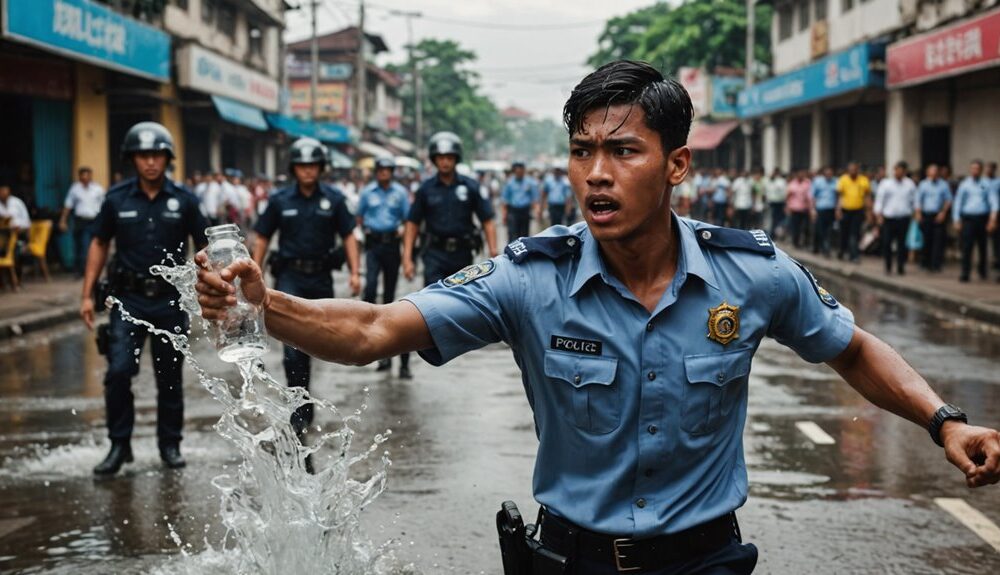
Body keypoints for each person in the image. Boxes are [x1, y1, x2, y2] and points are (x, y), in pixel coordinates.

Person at [195, 60, 1000, 575]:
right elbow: (374, 329)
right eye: (582, 151)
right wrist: (269, 304)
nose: (596, 174)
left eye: (623, 151)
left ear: (677, 163)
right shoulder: (528, 276)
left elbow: (850, 346)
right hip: (568, 561)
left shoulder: (750, 273)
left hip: (705, 561)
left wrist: (943, 421)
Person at [80, 121, 209, 475]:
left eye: (157, 155)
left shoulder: (185, 201)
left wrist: (215, 291)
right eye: (143, 156)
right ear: (132, 159)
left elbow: (206, 248)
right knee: (119, 372)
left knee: (169, 377)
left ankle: (170, 444)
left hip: (170, 303)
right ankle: (119, 445)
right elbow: (99, 243)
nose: (150, 162)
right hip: (127, 301)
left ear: (168, 159)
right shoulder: (116, 199)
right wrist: (87, 294)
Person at [252, 137, 361, 435]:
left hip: (321, 279)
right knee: (292, 351)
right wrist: (254, 274)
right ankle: (300, 413)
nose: (308, 171)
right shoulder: (279, 201)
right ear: (293, 168)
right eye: (302, 165)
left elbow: (350, 236)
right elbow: (262, 237)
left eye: (313, 165)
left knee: (316, 342)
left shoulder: (335, 200)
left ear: (321, 168)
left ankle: (303, 401)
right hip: (289, 279)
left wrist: (355, 272)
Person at [402, 131, 498, 288]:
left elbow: (487, 220)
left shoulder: (471, 187)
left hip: (463, 254)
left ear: (456, 158)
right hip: (434, 254)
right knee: (432, 300)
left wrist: (493, 252)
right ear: (434, 159)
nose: (445, 162)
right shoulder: (425, 189)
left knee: (461, 301)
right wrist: (407, 259)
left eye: (449, 157)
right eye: (441, 158)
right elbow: (412, 224)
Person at [357, 157, 412, 379]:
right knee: (370, 288)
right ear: (376, 172)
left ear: (392, 172)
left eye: (387, 170)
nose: (384, 174)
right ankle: (369, 325)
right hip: (373, 245)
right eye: (380, 170)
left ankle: (387, 349)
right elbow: (359, 216)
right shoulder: (367, 192)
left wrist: (405, 241)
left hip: (392, 244)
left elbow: (408, 220)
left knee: (390, 294)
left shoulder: (400, 193)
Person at [952, 160, 998, 282]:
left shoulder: (986, 184)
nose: (975, 171)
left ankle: (982, 271)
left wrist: (992, 219)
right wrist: (956, 219)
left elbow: (993, 202)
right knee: (967, 247)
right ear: (970, 169)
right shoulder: (965, 184)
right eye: (973, 168)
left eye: (977, 169)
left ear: (981, 170)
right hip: (968, 219)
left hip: (982, 218)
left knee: (982, 246)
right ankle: (965, 272)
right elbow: (958, 202)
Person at [59, 167, 106, 277]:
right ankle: (80, 270)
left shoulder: (98, 189)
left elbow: (105, 205)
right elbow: (68, 205)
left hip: (94, 220)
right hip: (79, 220)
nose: (85, 178)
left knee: (88, 245)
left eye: (87, 175)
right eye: (82, 176)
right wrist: (63, 220)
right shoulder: (75, 189)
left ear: (90, 176)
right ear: (79, 176)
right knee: (78, 245)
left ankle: (88, 271)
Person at [874, 161, 917, 275]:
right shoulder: (886, 183)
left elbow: (915, 201)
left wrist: (916, 213)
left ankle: (900, 267)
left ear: (905, 172)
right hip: (889, 219)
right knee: (887, 243)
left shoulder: (910, 184)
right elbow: (879, 200)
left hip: (904, 218)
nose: (899, 172)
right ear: (894, 170)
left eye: (902, 171)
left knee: (902, 244)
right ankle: (888, 267)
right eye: (897, 170)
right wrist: (878, 215)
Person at [914, 164, 952, 272]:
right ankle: (925, 263)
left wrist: (943, 212)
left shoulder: (943, 185)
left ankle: (936, 264)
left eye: (936, 171)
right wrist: (918, 213)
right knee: (927, 240)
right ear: (928, 173)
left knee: (938, 240)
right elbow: (918, 200)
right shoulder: (923, 184)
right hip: (926, 215)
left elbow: (948, 200)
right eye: (932, 171)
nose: (934, 173)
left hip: (938, 215)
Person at [836, 162, 871, 263]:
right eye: (851, 170)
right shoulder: (843, 179)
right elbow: (840, 196)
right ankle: (842, 251)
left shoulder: (864, 180)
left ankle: (854, 255)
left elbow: (867, 197)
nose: (853, 172)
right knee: (844, 233)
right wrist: (838, 210)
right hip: (845, 210)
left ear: (858, 170)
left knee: (854, 234)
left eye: (855, 170)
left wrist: (869, 212)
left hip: (858, 211)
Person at [501, 161, 540, 241]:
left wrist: (537, 211)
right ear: (515, 171)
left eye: (521, 171)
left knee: (524, 235)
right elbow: (505, 200)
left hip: (525, 211)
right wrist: (504, 215)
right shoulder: (509, 183)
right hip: (513, 212)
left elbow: (535, 198)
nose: (519, 173)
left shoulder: (530, 182)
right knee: (513, 234)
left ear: (524, 171)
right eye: (517, 171)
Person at [811, 167, 838, 256]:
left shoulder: (836, 181)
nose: (828, 176)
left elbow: (838, 196)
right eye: (827, 174)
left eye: (830, 174)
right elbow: (813, 196)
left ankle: (826, 247)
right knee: (821, 230)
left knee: (829, 230)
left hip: (831, 210)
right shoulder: (818, 182)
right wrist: (813, 210)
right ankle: (824, 248)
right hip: (820, 210)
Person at [785, 170, 813, 248]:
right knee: (796, 227)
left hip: (805, 209)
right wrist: (787, 207)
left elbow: (810, 196)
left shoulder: (807, 183)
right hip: (795, 209)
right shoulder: (792, 184)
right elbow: (788, 196)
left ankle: (805, 243)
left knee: (805, 227)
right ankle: (795, 242)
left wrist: (811, 209)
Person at [765, 168, 787, 239]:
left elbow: (784, 193)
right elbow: (768, 192)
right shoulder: (770, 181)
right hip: (771, 202)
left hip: (780, 203)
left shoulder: (781, 181)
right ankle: (772, 234)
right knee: (772, 219)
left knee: (778, 220)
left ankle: (776, 234)